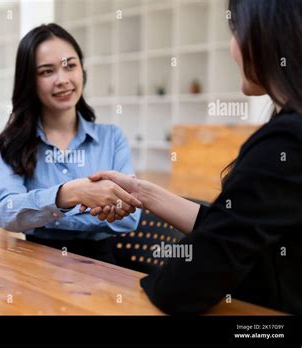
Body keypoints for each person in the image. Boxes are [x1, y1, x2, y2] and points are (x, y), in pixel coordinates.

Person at [83, 0, 302, 314]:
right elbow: (236, 228)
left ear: (263, 35)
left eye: (236, 31)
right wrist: (141, 191)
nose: (232, 46)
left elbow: (186, 283)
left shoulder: (286, 141)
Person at [0, 23, 142, 264]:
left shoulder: (112, 138)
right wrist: (67, 194)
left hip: (102, 267)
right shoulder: (10, 144)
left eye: (69, 66)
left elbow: (129, 217)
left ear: (82, 70)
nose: (62, 80)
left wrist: (46, 211)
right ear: (29, 80)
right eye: (46, 71)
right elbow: (5, 212)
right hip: (36, 263)